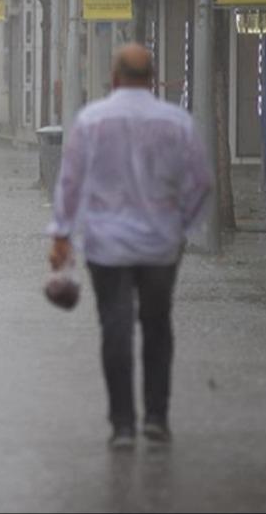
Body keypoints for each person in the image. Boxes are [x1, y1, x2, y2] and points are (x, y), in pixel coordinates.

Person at [48, 43, 212, 451]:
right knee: (158, 326)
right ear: (153, 79)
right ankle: (156, 418)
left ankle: (122, 425)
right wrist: (183, 226)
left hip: (107, 246)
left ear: (115, 78)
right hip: (161, 244)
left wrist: (62, 235)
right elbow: (203, 183)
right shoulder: (177, 122)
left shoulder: (91, 120)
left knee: (115, 330)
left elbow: (70, 183)